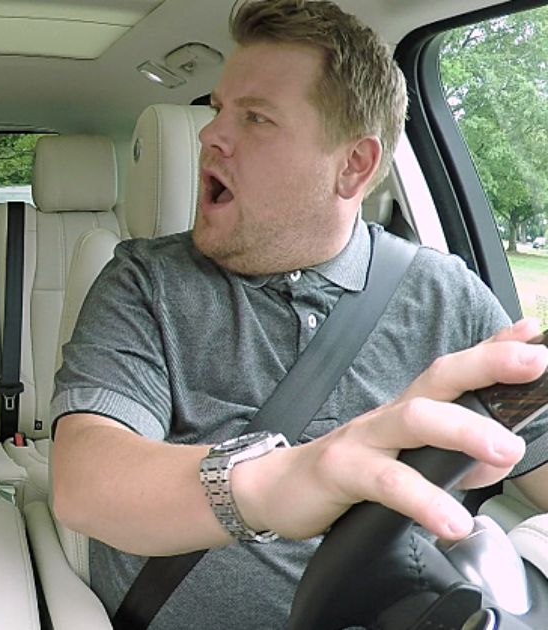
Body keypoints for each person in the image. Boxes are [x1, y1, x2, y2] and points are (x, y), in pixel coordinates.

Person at [51, 0, 548, 627]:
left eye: (255, 117)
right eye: (218, 108)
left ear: (355, 166)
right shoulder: (146, 282)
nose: (210, 135)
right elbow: (86, 478)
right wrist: (275, 481)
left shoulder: (447, 297)